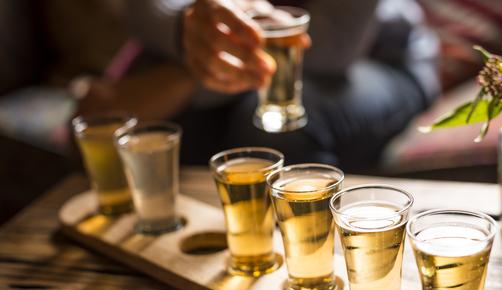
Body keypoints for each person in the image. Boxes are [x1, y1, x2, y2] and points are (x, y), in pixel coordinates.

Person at [83, 0, 440, 170]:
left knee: (276, 124)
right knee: (147, 135)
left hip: (379, 60)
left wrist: (192, 74)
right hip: (250, 57)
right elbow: (138, 10)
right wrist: (184, 29)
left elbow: (332, 46)